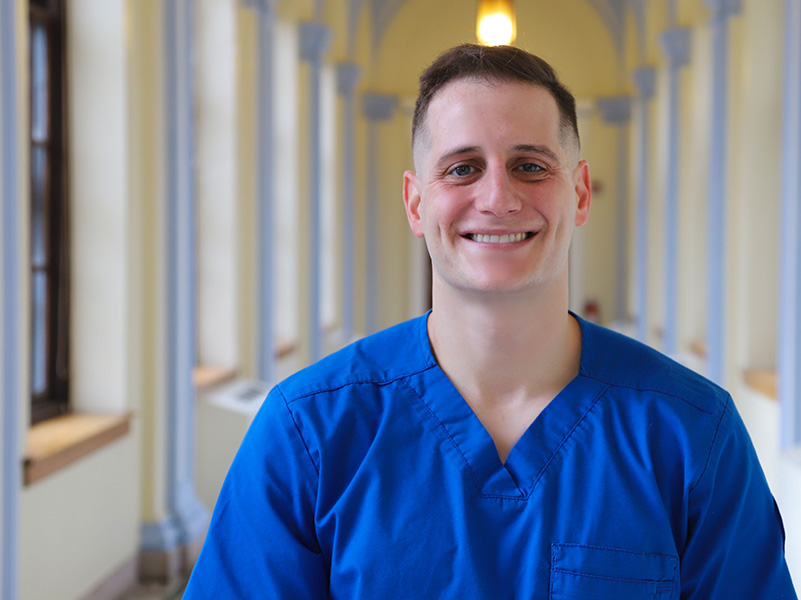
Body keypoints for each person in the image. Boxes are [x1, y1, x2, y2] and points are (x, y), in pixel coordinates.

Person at [184, 44, 797, 598]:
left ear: (580, 194)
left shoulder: (691, 433)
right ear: (416, 203)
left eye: (530, 165)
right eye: (461, 168)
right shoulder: (310, 432)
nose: (498, 197)